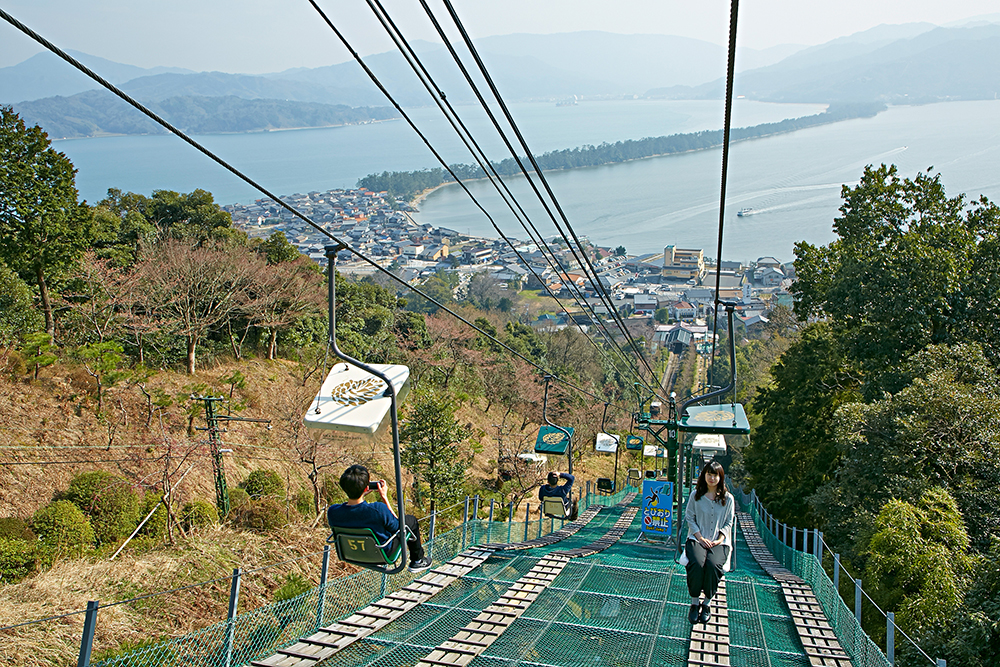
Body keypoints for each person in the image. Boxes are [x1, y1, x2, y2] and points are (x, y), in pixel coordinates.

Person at [326, 464, 431, 573]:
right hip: (382, 552)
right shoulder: (378, 509)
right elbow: (398, 527)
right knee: (410, 520)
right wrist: (385, 498)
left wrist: (360, 493)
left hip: (350, 553)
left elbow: (352, 512)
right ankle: (417, 560)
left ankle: (418, 560)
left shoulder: (333, 511)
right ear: (367, 487)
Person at [683, 460, 735, 624]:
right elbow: (690, 517)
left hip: (719, 542)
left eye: (715, 475)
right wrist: (700, 537)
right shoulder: (695, 495)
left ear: (720, 477)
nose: (712, 478)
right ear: (704, 475)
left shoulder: (728, 499)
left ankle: (706, 603)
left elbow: (728, 522)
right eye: (709, 474)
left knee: (713, 565)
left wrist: (720, 539)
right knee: (697, 563)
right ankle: (694, 602)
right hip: (697, 538)